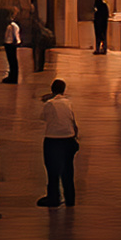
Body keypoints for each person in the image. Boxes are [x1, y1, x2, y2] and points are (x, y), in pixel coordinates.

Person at [37, 79, 78, 207]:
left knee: (52, 170)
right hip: (69, 138)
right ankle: (70, 199)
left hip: (53, 139)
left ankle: (54, 197)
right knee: (68, 170)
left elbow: (43, 117)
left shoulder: (49, 104)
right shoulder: (68, 103)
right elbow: (73, 121)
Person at [2, 13, 21, 84]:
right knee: (11, 61)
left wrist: (15, 42)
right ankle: (11, 76)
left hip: (10, 44)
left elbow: (16, 35)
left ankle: (13, 77)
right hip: (9, 43)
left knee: (12, 60)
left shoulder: (13, 26)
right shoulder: (10, 26)